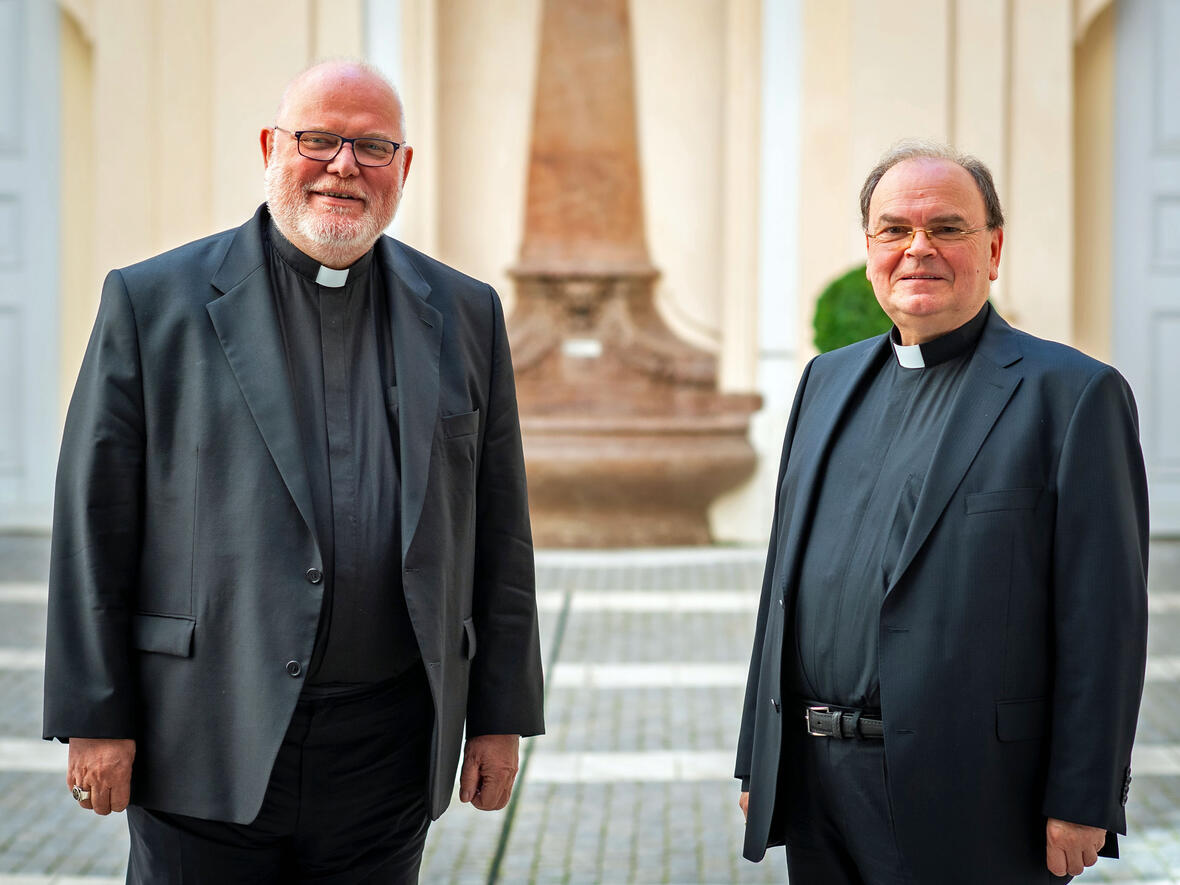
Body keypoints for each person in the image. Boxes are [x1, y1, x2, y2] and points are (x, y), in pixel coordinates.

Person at [43, 59, 544, 883]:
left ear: (404, 167)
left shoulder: (465, 312)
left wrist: (501, 714)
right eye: (319, 139)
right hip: (203, 736)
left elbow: (499, 527)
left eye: (373, 147)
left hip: (386, 750)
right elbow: (93, 523)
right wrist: (95, 717)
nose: (344, 166)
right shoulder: (153, 302)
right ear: (271, 147)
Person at [735, 140, 1149, 884]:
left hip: (978, 795)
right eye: (894, 229)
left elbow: (1104, 620)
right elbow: (781, 588)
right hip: (817, 788)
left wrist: (1083, 795)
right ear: (870, 250)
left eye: (947, 228)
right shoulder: (825, 382)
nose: (917, 248)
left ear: (993, 249)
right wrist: (756, 759)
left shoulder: (1072, 395)